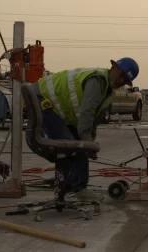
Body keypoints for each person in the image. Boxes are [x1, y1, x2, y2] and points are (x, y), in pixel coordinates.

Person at [34, 57, 139, 201]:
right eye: (121, 75)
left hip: (54, 108)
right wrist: (87, 144)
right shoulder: (98, 81)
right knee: (70, 145)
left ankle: (70, 184)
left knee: (79, 143)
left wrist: (91, 143)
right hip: (42, 98)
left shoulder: (108, 91)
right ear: (113, 67)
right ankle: (74, 186)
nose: (121, 81)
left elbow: (94, 121)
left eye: (125, 80)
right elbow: (86, 114)